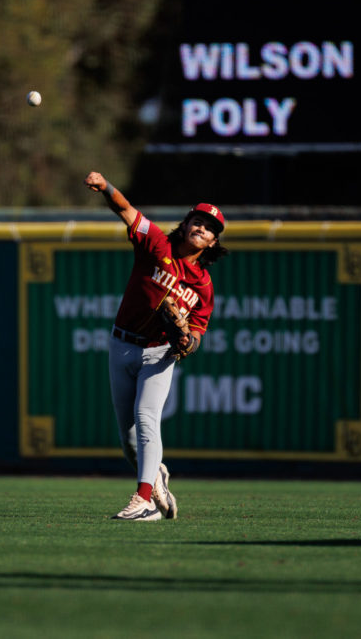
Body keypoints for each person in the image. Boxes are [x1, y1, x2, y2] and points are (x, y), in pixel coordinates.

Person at [84, 171, 228, 521]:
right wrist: (106, 187)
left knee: (147, 418)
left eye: (209, 228)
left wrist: (186, 342)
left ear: (211, 243)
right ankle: (157, 477)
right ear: (186, 225)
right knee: (129, 440)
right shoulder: (156, 246)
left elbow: (198, 331)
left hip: (159, 354)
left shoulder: (203, 285)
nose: (201, 228)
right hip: (122, 345)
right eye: (197, 221)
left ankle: (145, 500)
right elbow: (127, 210)